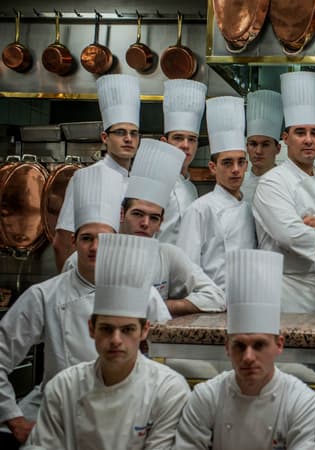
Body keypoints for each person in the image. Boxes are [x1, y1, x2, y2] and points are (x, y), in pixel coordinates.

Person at [0, 168, 170, 449]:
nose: (94, 247)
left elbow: (165, 355)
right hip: (58, 415)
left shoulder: (142, 294)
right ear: (74, 242)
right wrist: (14, 419)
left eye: (103, 239)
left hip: (125, 414)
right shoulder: (45, 295)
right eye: (87, 238)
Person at [26, 234, 190, 449]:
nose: (116, 340)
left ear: (144, 331)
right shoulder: (63, 387)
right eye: (106, 328)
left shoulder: (168, 390)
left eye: (127, 330)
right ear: (91, 329)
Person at [62, 139, 226, 317]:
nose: (146, 223)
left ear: (161, 222)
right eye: (138, 214)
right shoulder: (88, 257)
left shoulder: (167, 255)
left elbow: (216, 297)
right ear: (122, 214)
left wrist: (159, 306)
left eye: (154, 218)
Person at [173, 250, 315, 449]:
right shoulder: (207, 397)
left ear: (279, 345)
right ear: (227, 347)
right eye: (239, 346)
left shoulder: (300, 402)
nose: (248, 357)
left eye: (259, 345)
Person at [253, 72, 315, 313]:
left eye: (314, 133)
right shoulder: (272, 183)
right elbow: (291, 235)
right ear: (285, 138)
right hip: (286, 294)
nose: (308, 140)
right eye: (300, 132)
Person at [52, 74, 141, 270]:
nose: (128, 139)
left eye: (133, 133)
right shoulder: (86, 177)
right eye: (120, 132)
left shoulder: (137, 183)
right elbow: (63, 241)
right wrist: (69, 288)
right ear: (104, 137)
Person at [177, 96, 256, 290]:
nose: (236, 169)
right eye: (227, 163)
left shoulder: (249, 210)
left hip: (244, 301)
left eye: (241, 162)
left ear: (246, 165)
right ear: (213, 167)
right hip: (210, 303)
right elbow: (186, 268)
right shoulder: (200, 209)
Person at [158, 79, 206, 245]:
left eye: (191, 139)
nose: (186, 145)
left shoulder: (190, 187)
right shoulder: (156, 185)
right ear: (164, 142)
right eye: (178, 138)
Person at [242, 89, 283, 204]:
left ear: (278, 149)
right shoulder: (238, 184)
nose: (258, 151)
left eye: (265, 145)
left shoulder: (287, 184)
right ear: (247, 147)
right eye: (253, 144)